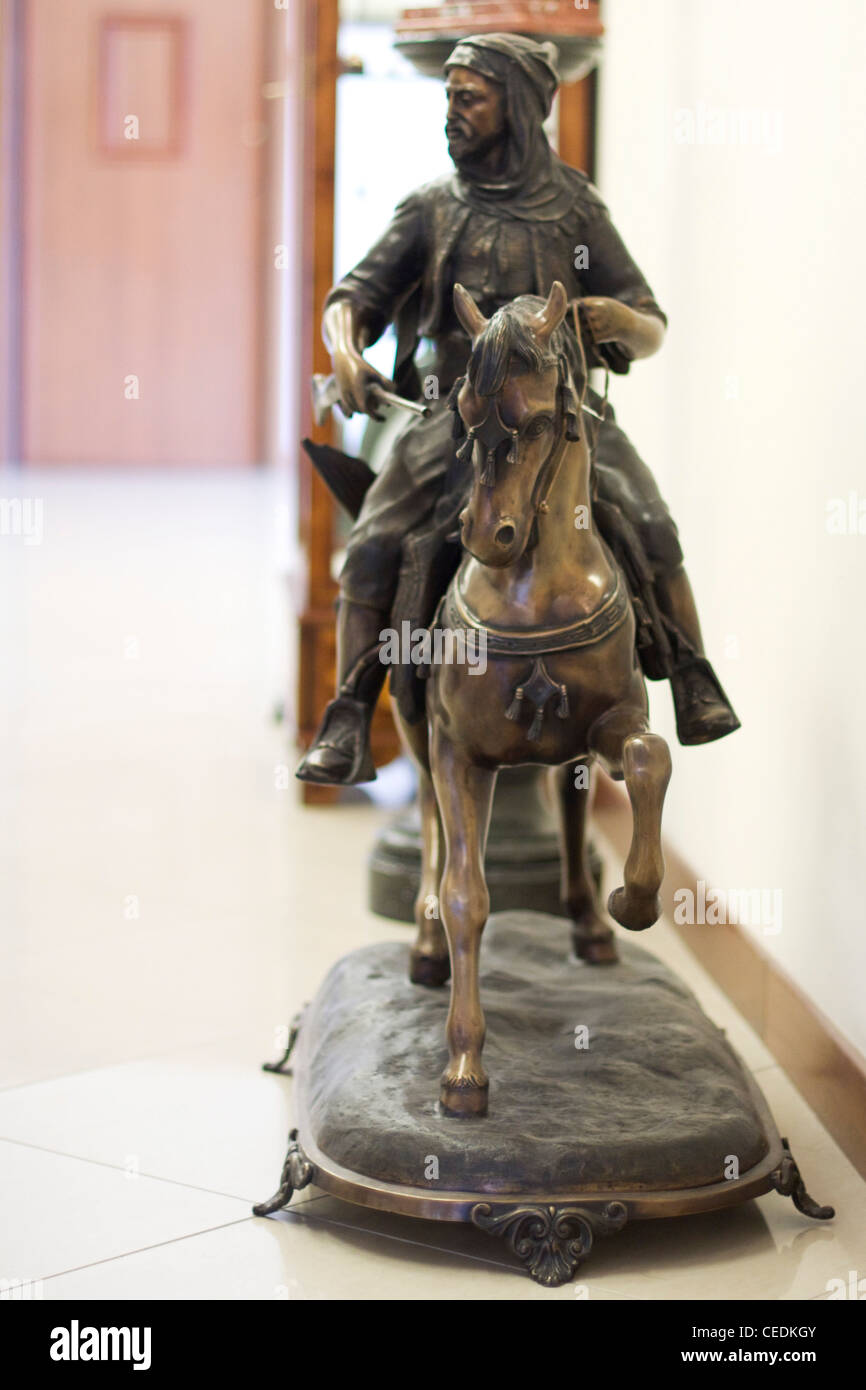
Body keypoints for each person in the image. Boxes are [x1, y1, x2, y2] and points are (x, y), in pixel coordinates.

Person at [298, 32, 739, 786]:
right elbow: (354, 298)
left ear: (520, 104)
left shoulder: (574, 209)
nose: (452, 112)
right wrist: (345, 349)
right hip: (454, 414)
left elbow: (650, 319)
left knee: (651, 521)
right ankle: (347, 711)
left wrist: (618, 322)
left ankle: (690, 673)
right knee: (372, 544)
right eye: (449, 97)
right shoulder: (433, 208)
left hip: (561, 419)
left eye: (468, 97)